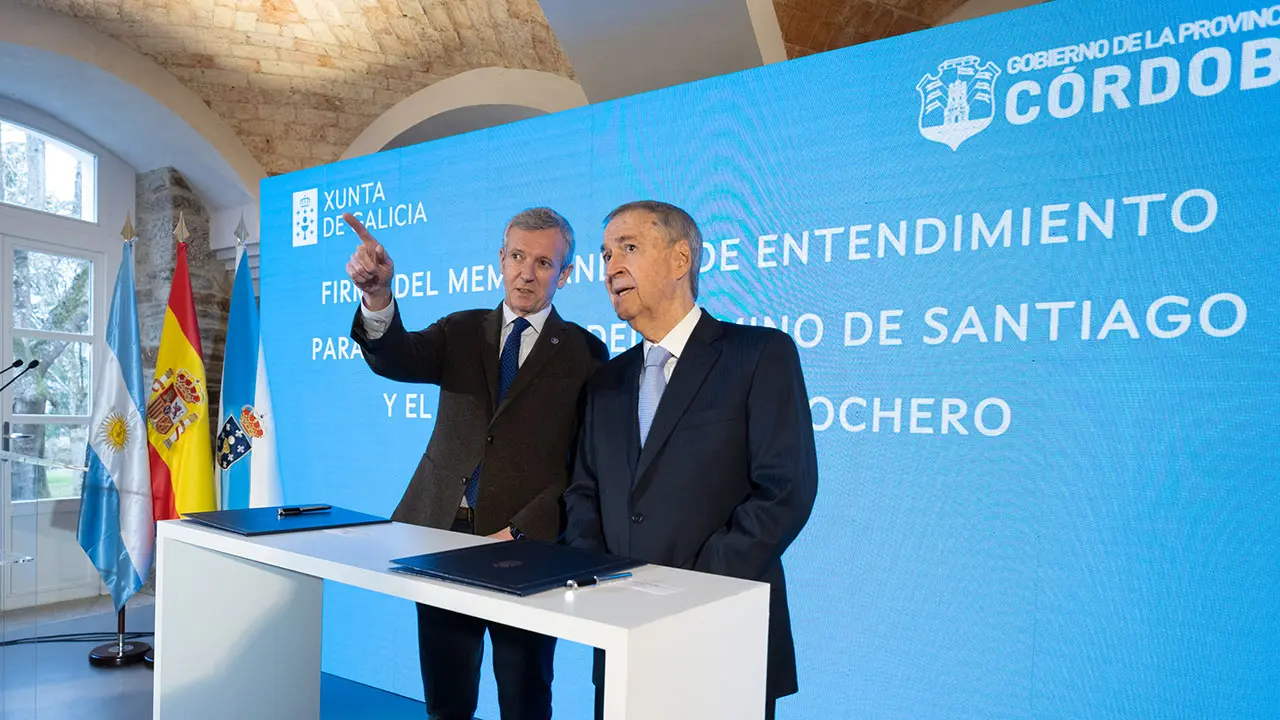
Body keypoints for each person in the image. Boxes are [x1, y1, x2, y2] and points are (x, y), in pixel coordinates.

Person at [347, 207, 609, 720]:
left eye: (542, 262)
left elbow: (583, 464)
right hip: (441, 537)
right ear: (500, 259)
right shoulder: (461, 330)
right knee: (447, 700)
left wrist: (525, 529)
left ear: (565, 274)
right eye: (516, 257)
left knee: (525, 697)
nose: (526, 272)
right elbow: (397, 357)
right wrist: (378, 296)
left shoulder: (585, 354)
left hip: (524, 550)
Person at [563, 201, 818, 720]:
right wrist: (599, 585)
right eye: (606, 254)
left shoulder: (760, 355)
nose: (611, 267)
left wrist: (689, 592)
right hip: (621, 637)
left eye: (628, 248)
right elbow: (584, 495)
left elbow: (784, 491)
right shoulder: (606, 382)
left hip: (723, 634)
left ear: (682, 258)